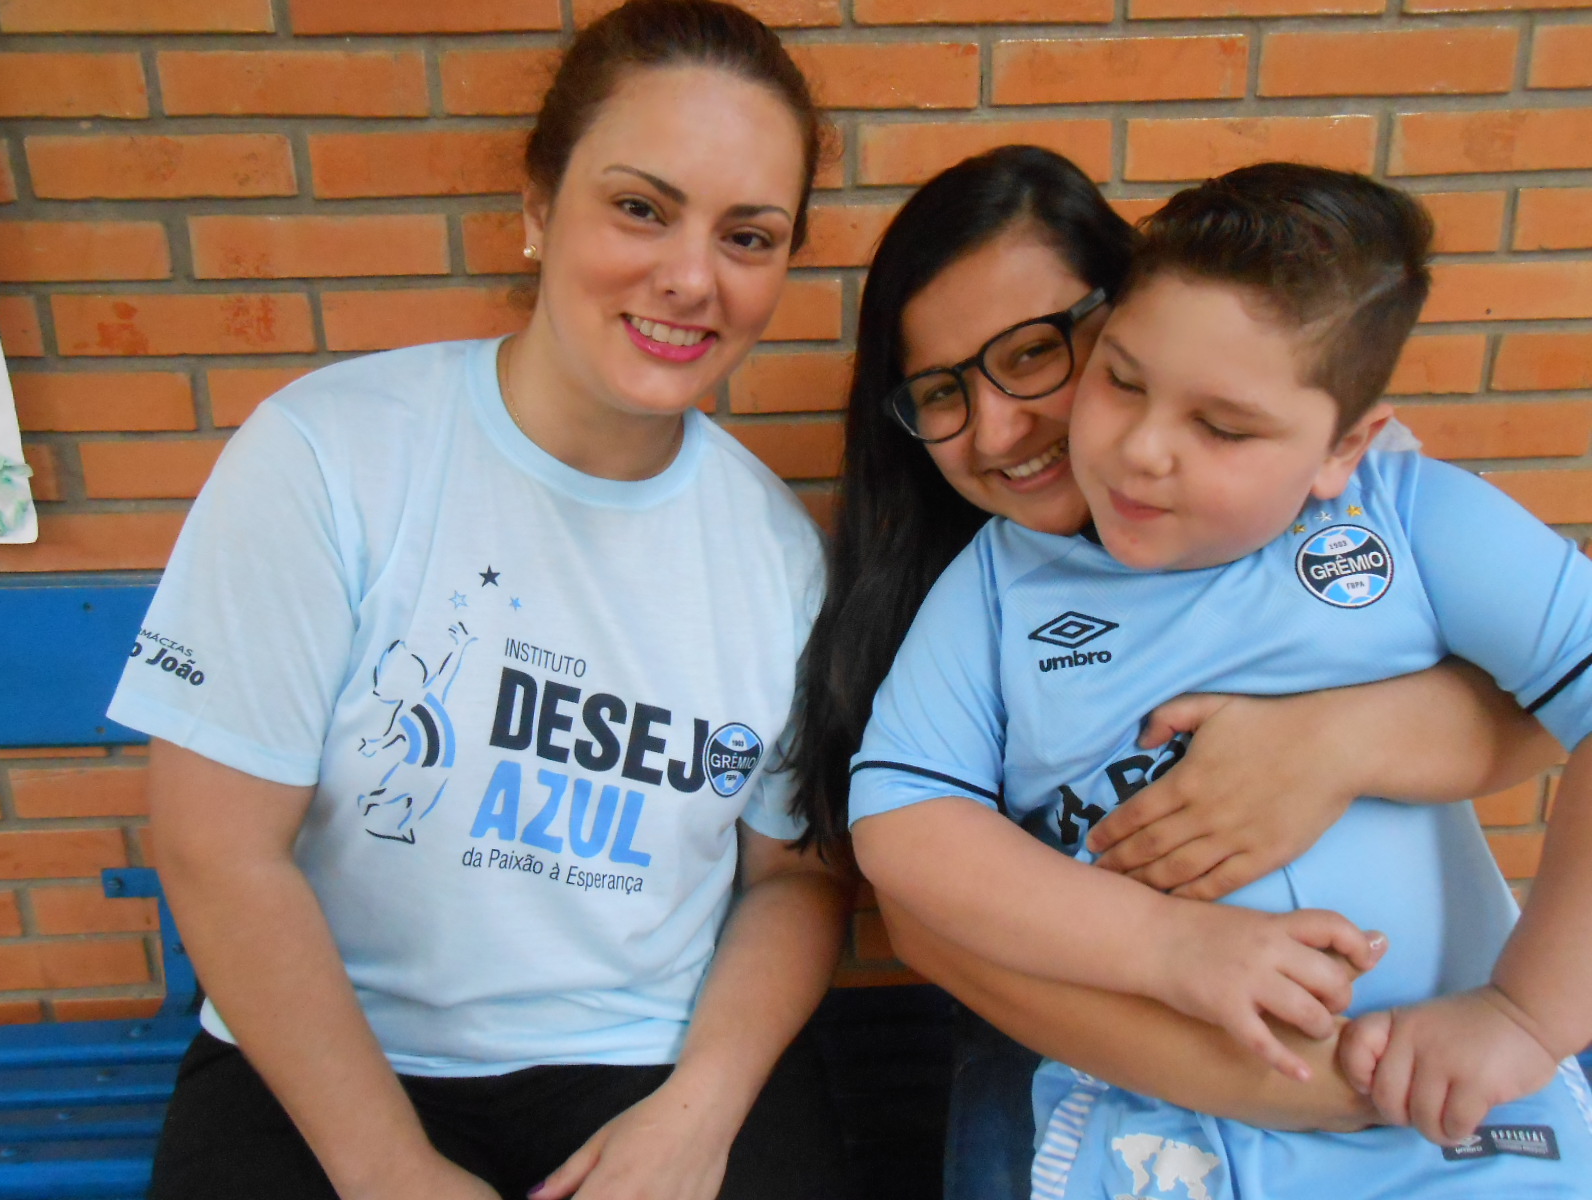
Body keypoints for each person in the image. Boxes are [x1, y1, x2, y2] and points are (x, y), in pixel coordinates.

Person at [106, 3, 853, 1198]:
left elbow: (795, 880)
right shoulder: (328, 457)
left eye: (750, 236)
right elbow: (216, 846)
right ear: (537, 208)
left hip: (641, 1062)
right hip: (330, 1061)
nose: (691, 277)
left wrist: (700, 1111)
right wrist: (390, 1168)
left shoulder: (778, 555)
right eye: (640, 207)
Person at [788, 145, 1563, 1199]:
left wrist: (1524, 1016)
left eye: (1032, 353)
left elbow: (1553, 689)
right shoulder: (990, 581)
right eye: (939, 391)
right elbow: (909, 831)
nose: (1144, 449)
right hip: (1140, 1108)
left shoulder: (1376, 511)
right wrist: (1172, 948)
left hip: (1450, 1110)